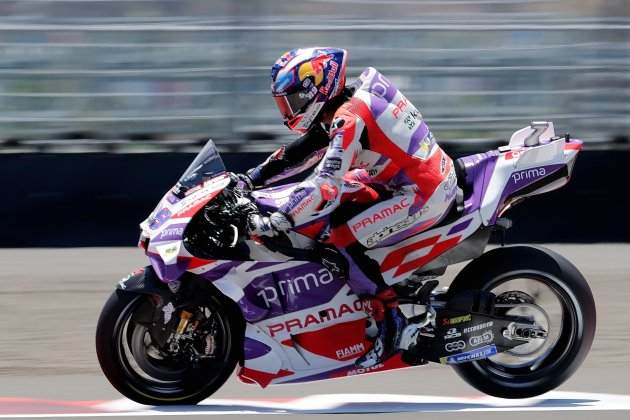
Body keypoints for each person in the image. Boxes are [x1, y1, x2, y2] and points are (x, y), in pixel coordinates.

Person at [242, 47, 457, 367]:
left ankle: (390, 324)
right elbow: (302, 151)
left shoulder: (348, 118)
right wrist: (249, 179)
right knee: (326, 204)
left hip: (420, 192)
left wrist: (280, 219)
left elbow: (326, 181)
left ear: (316, 88)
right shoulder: (349, 102)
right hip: (402, 176)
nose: (288, 111)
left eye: (292, 101)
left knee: (339, 233)